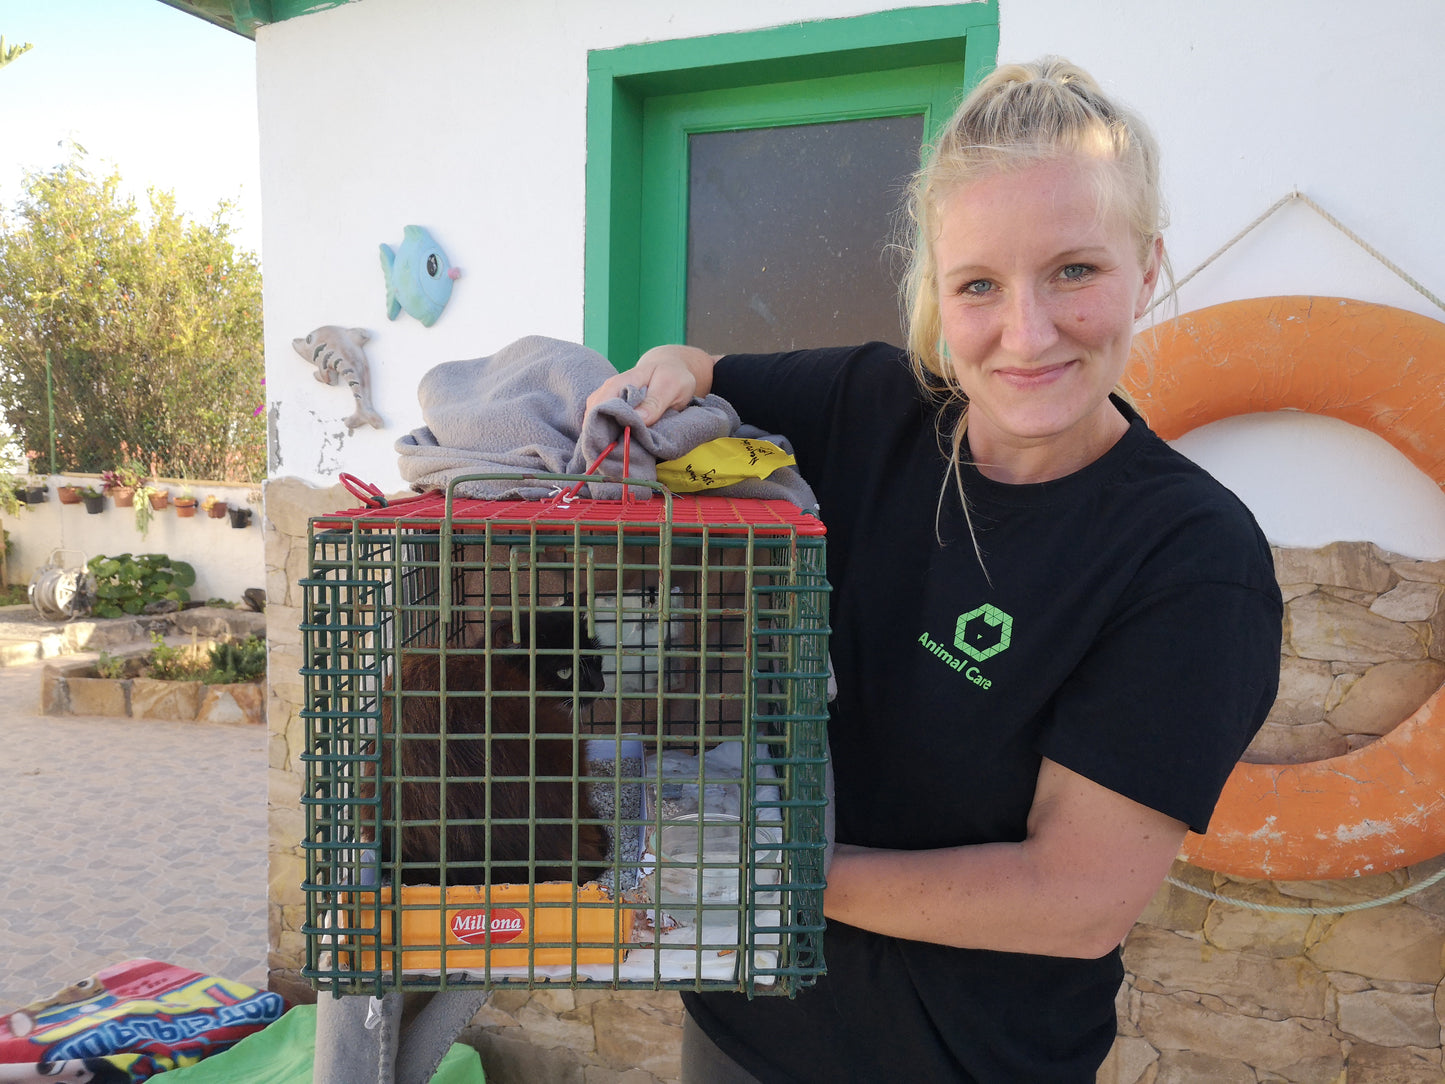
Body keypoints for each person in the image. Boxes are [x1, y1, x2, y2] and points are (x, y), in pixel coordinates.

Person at [587, 57, 1282, 1083]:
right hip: (737, 1030)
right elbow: (695, 367)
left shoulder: (1190, 558)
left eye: (1073, 271)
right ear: (936, 294)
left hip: (964, 1060)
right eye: (978, 286)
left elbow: (1073, 899)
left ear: (1145, 267)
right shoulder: (872, 401)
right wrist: (652, 381)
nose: (1025, 333)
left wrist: (767, 871)